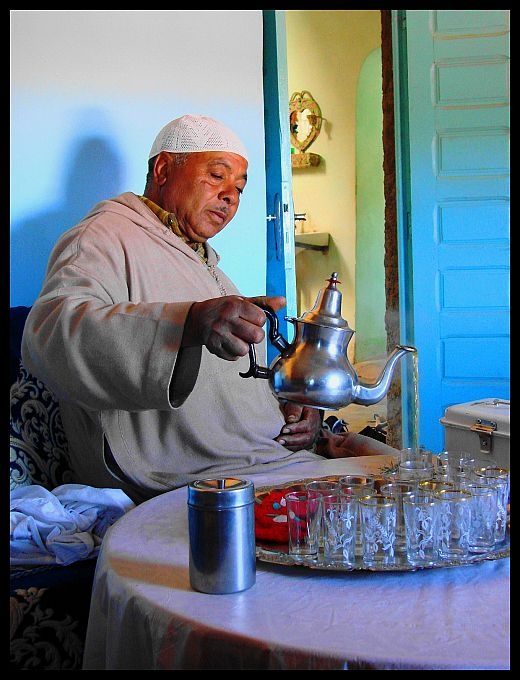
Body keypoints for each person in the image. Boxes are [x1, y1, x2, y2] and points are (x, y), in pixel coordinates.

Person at [21, 114, 396, 503]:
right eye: (217, 176)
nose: (231, 196)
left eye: (239, 188)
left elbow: (231, 383)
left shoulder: (200, 259)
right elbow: (49, 333)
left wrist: (295, 406)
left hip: (271, 456)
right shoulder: (102, 236)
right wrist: (187, 323)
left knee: (407, 483)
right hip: (196, 476)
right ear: (163, 170)